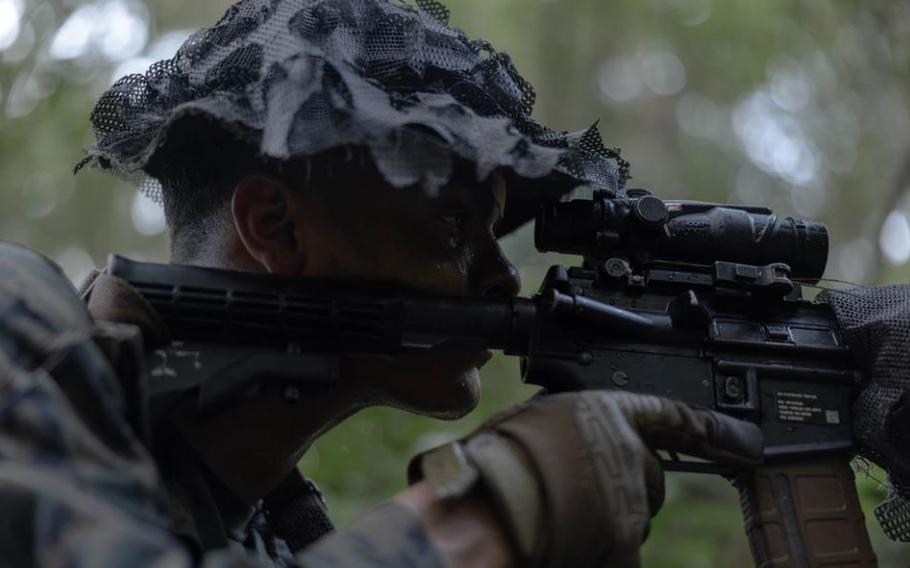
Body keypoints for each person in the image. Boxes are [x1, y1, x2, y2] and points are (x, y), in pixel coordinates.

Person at [0, 0, 764, 566]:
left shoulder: (270, 528)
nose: (503, 275)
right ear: (277, 227)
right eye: (456, 228)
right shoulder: (17, 320)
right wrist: (493, 507)